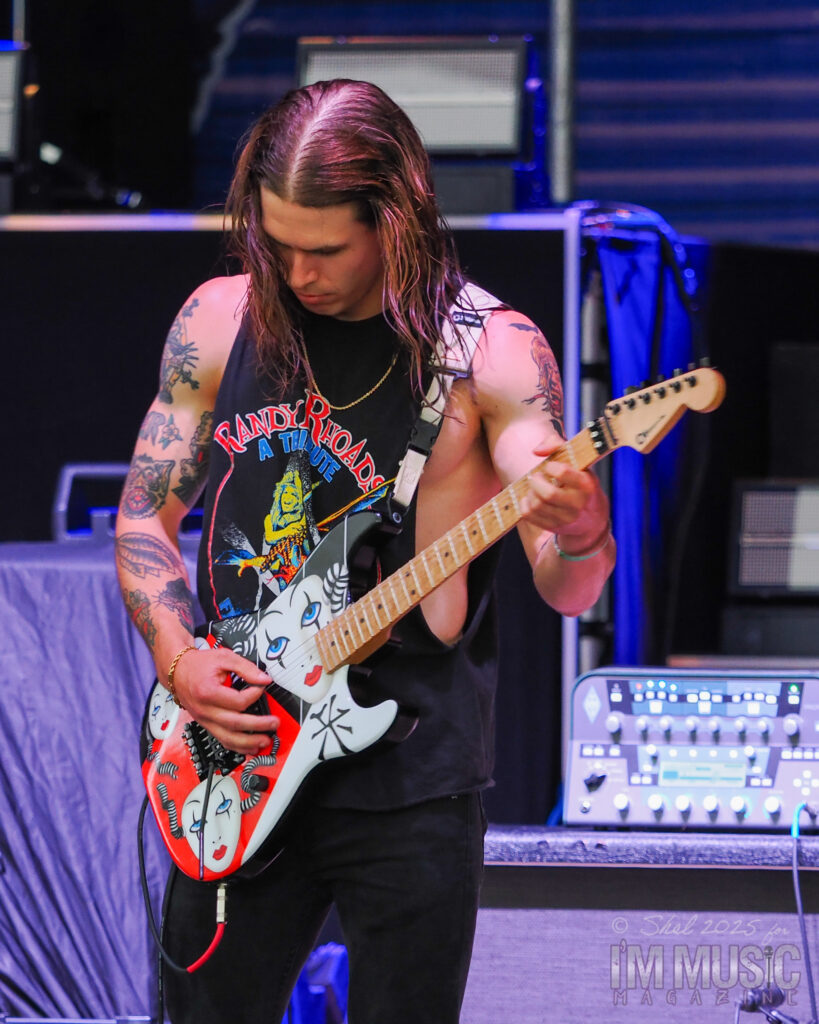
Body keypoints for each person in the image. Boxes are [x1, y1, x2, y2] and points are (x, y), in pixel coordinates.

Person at [115, 78, 615, 1024]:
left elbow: (564, 582)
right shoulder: (218, 317)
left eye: (325, 250)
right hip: (237, 756)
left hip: (410, 779)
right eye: (277, 245)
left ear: (397, 221)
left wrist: (582, 529)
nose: (296, 274)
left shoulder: (489, 353)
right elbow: (144, 518)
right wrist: (179, 661)